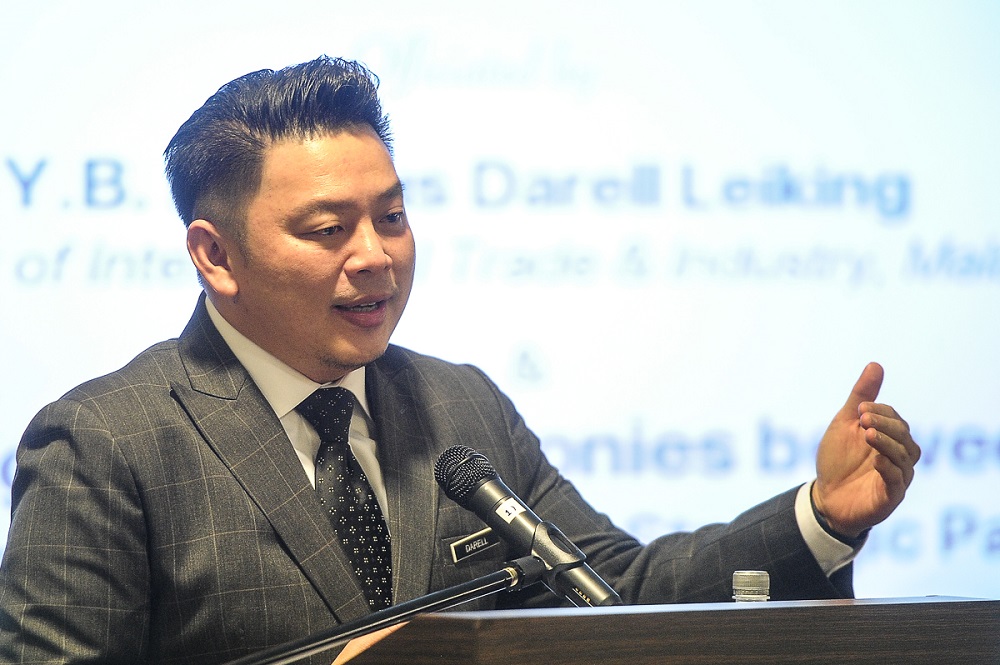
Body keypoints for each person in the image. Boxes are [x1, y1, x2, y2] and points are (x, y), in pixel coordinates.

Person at [0, 56, 920, 664]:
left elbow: (616, 595)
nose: (376, 256)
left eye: (392, 217)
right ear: (215, 255)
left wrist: (822, 519)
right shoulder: (104, 443)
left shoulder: (458, 405)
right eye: (328, 229)